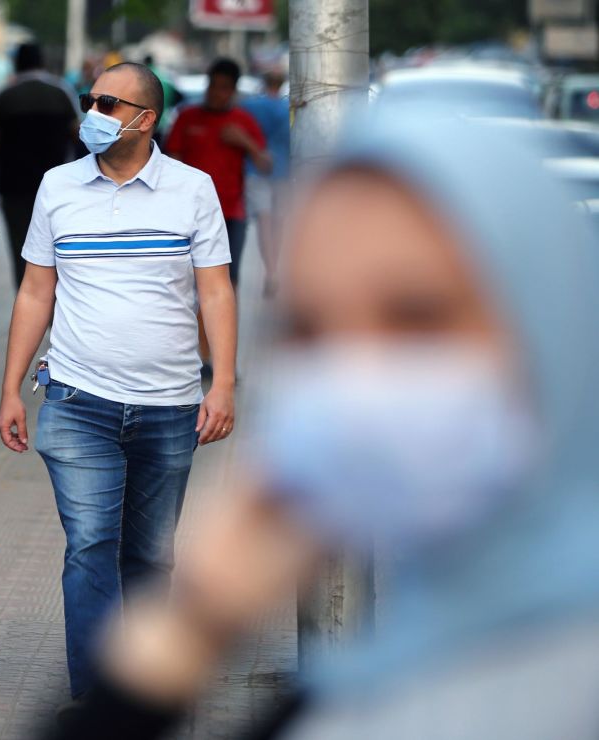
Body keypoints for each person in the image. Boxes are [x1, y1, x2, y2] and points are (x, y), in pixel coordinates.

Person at [49, 109, 599, 738]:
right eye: (309, 330)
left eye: (417, 317)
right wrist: (193, 627)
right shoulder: (365, 693)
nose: (357, 379)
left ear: (554, 323)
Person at [0, 61, 238, 703]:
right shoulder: (58, 186)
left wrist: (225, 385)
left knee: (151, 559)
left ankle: (151, 686)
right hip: (78, 400)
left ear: (145, 118)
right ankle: (99, 696)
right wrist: (10, 387)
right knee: (90, 546)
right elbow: (34, 291)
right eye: (90, 100)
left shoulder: (193, 189)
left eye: (108, 103)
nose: (93, 114)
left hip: (170, 405)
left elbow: (216, 291)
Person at [0, 42, 79, 287]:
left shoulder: (6, 96)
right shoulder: (61, 93)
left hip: (15, 185)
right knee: (58, 245)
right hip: (57, 185)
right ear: (42, 61)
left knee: (20, 246)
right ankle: (56, 302)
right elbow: (77, 136)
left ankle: (26, 300)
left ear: (16, 63)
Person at [165, 58, 270, 287]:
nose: (216, 93)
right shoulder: (187, 117)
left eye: (223, 88)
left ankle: (229, 323)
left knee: (229, 279)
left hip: (231, 212)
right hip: (188, 212)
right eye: (213, 86)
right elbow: (171, 160)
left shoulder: (242, 122)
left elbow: (265, 164)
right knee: (188, 279)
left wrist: (245, 142)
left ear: (232, 90)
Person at [241, 69, 290, 297]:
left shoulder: (251, 106)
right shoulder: (286, 108)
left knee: (264, 220)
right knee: (278, 221)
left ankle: (270, 270)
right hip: (282, 171)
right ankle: (275, 267)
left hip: (255, 168)